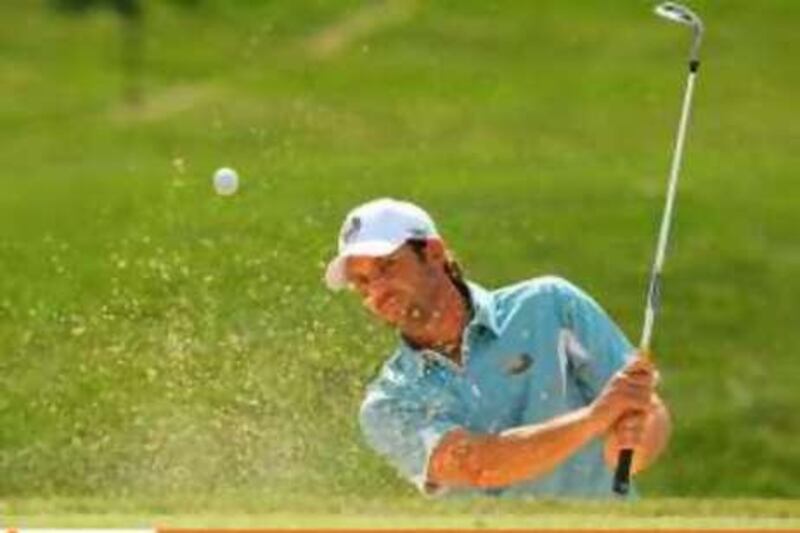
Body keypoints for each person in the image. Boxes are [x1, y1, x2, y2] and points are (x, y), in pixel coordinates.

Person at [324, 198, 671, 498]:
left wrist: (636, 443)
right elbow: (475, 466)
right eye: (363, 282)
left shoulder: (550, 304)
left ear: (433, 253)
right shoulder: (388, 403)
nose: (378, 290)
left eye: (387, 266)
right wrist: (595, 420)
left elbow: (644, 408)